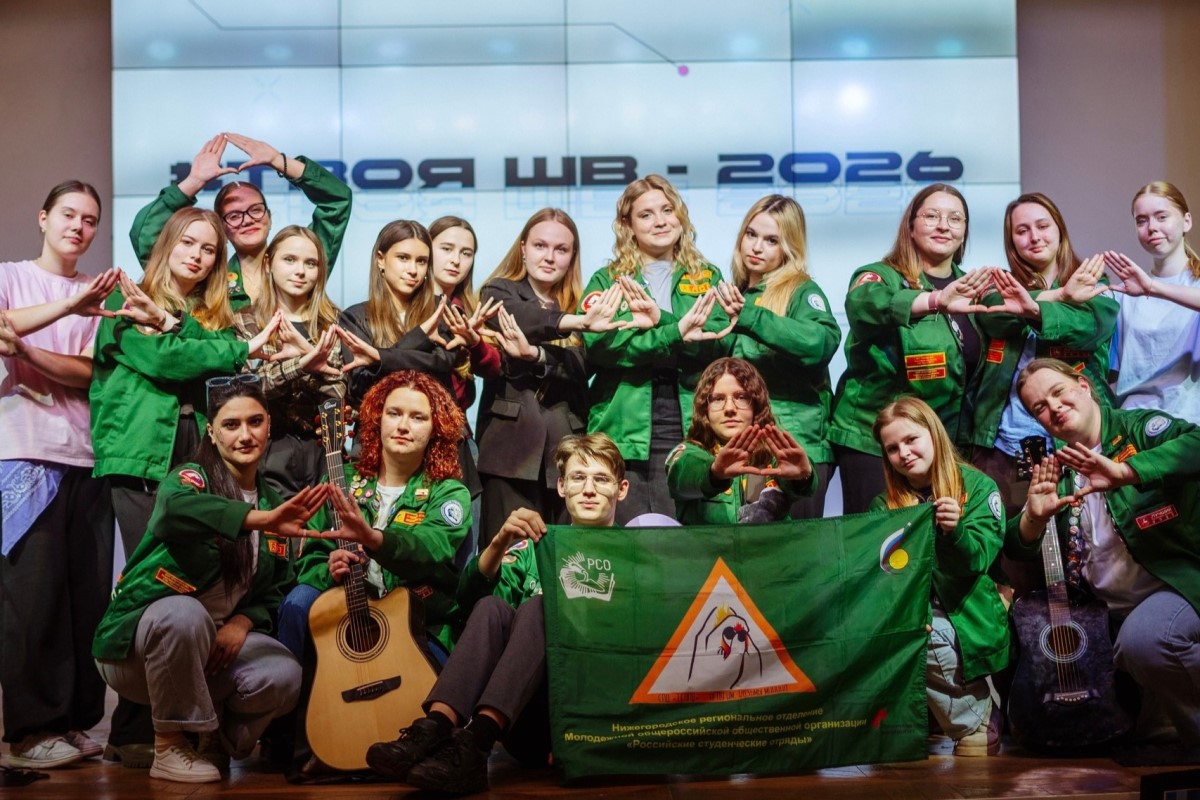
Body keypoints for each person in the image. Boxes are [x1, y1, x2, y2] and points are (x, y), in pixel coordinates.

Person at [90, 206, 285, 767]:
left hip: (194, 461)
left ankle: (174, 727)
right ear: (166, 245)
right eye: (188, 243)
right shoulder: (125, 299)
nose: (198, 256)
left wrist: (179, 325)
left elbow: (214, 370)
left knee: (195, 588)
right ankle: (138, 732)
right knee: (155, 588)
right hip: (140, 464)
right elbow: (169, 362)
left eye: (209, 250)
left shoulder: (202, 317)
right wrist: (234, 347)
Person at [363, 433, 629, 794]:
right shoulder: (534, 548)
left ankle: (475, 742)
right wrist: (500, 540)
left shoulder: (637, 557)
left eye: (601, 479)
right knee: (492, 606)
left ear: (621, 489)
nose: (589, 489)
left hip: (586, 718)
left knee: (539, 605)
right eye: (578, 478)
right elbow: (469, 603)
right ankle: (437, 728)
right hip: (525, 720)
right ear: (562, 486)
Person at [91, 380, 327, 783]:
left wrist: (242, 622)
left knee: (283, 673)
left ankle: (212, 739)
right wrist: (257, 520)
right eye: (231, 425)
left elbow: (274, 588)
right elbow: (171, 512)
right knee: (185, 614)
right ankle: (169, 745)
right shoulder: (190, 477)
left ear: (269, 426)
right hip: (136, 651)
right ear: (211, 432)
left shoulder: (272, 500)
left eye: (255, 422)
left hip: (211, 650)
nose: (245, 435)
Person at [0, 182, 128, 769]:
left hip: (89, 456)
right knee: (32, 598)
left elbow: (93, 373)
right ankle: (30, 733)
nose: (79, 226)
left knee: (87, 598)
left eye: (90, 219)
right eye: (68, 214)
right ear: (43, 217)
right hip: (26, 454)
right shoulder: (10, 276)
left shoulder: (101, 294)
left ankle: (73, 722)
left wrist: (27, 351)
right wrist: (66, 310)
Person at [1011, 357, 1200, 748]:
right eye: (1039, 407)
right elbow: (1015, 545)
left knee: (1146, 640)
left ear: (1083, 386)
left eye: (1058, 392)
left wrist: (1127, 472)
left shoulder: (1137, 429)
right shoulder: (1058, 471)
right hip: (1106, 615)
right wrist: (1033, 516)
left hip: (1178, 588)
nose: (1053, 408)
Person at [277, 370, 473, 663]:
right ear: (377, 418)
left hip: (420, 623)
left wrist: (373, 539)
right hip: (347, 616)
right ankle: (289, 687)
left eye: (418, 417)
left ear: (436, 428)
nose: (403, 426)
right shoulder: (340, 480)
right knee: (299, 600)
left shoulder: (448, 493)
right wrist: (329, 569)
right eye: (394, 413)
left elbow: (430, 548)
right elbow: (310, 556)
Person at [830, 183, 994, 514]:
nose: (943, 226)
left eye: (955, 219)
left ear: (964, 231)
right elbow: (864, 305)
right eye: (931, 216)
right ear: (911, 226)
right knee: (876, 540)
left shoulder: (971, 287)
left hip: (940, 448)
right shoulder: (879, 276)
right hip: (876, 444)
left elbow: (1017, 306)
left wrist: (1059, 296)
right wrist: (934, 300)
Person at [581, 174, 732, 523]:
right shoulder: (608, 279)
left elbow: (720, 342)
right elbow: (600, 345)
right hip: (624, 430)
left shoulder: (708, 277)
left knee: (684, 544)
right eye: (646, 214)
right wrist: (676, 333)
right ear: (628, 226)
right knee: (626, 541)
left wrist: (657, 326)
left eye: (667, 210)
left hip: (691, 425)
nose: (660, 221)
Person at [871, 397, 1008, 757]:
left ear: (934, 433)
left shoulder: (978, 487)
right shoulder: (883, 505)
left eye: (911, 439)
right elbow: (880, 579)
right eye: (892, 448)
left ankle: (976, 718)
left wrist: (955, 532)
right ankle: (907, 722)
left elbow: (977, 560)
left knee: (921, 631)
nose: (904, 453)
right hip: (915, 613)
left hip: (968, 615)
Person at [971, 193, 1117, 529]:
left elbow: (1089, 328)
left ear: (1059, 229)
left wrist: (1033, 308)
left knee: (1081, 540)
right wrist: (1062, 297)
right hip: (1004, 445)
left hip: (1077, 440)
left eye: (1042, 226)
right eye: (1022, 231)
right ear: (1011, 241)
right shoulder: (998, 284)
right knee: (1011, 540)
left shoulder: (1094, 281)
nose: (1034, 237)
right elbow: (994, 315)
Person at [476, 208, 622, 542]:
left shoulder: (584, 302)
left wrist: (535, 354)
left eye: (561, 249)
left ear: (572, 256)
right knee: (508, 556)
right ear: (523, 248)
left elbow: (584, 363)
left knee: (565, 557)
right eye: (540, 245)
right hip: (508, 454)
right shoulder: (498, 291)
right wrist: (576, 323)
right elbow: (520, 317)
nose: (549, 257)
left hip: (567, 453)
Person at [713, 195, 841, 518]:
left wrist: (750, 317)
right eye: (751, 234)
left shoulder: (801, 291)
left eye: (772, 240)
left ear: (789, 248)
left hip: (795, 449)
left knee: (798, 549)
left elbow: (821, 342)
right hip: (746, 450)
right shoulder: (736, 295)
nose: (757, 247)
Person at [129, 133, 352, 309]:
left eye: (256, 210)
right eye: (234, 216)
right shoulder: (206, 280)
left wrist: (279, 161)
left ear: (269, 218)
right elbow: (145, 235)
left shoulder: (299, 264)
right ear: (222, 229)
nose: (247, 220)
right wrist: (194, 181)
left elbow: (337, 200)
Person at [232, 225, 344, 499]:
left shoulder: (333, 322)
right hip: (267, 448)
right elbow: (249, 388)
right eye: (290, 260)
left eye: (310, 263)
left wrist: (303, 356)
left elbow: (338, 393)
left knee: (326, 525)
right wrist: (305, 363)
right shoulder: (245, 320)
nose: (300, 271)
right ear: (268, 264)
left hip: (323, 450)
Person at [666, 357, 815, 525]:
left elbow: (800, 481)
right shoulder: (688, 453)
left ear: (756, 405)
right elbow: (681, 477)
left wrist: (803, 478)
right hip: (707, 543)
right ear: (705, 408)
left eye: (741, 397)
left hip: (766, 543)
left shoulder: (773, 454)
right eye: (718, 399)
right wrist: (713, 473)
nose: (730, 408)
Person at [1103, 181, 1200, 423]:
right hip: (1134, 423)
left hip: (1188, 423)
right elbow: (1114, 374)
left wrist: (1152, 288)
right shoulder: (1126, 296)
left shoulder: (1192, 286)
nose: (1152, 227)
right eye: (1142, 220)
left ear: (1187, 221)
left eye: (1161, 217)